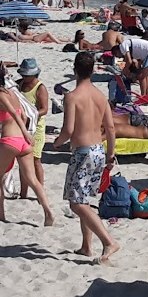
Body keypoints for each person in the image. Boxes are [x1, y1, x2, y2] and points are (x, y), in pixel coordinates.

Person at [53, 51, 119, 264]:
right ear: (92, 70)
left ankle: (108, 241)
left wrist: (56, 143)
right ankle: (86, 246)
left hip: (83, 153)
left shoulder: (72, 97)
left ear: (75, 70)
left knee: (76, 203)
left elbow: (68, 129)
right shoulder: (100, 96)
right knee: (85, 201)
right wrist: (111, 154)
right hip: (99, 150)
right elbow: (110, 127)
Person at [0, 64, 55, 226]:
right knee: (33, 180)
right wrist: (26, 133)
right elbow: (22, 114)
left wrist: (25, 132)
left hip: (10, 141)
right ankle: (48, 211)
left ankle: (1, 215)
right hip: (23, 143)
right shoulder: (14, 92)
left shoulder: (1, 95)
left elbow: (14, 114)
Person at [14, 58, 51, 199]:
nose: (24, 77)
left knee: (36, 160)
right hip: (21, 127)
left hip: (36, 128)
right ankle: (23, 193)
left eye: (27, 75)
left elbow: (44, 109)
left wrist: (30, 115)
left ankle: (40, 192)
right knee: (22, 161)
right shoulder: (18, 85)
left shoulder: (40, 88)